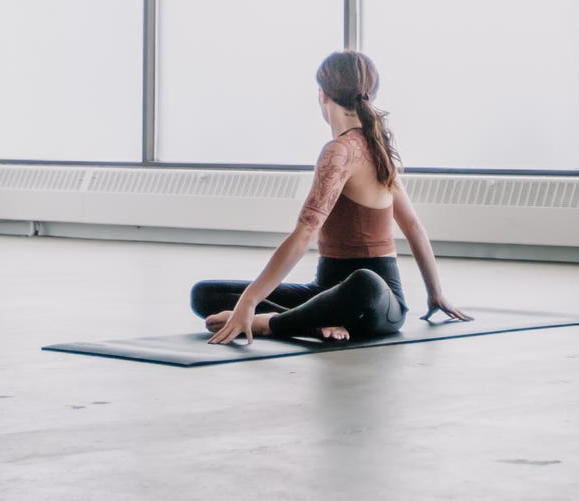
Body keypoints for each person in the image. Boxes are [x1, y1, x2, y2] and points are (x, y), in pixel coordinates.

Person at [193, 51, 471, 346]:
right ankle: (315, 321)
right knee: (206, 294)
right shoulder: (370, 145)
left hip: (374, 301)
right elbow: (413, 226)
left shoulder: (346, 151)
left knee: (363, 283)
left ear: (322, 94)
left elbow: (306, 234)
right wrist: (245, 301)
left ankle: (271, 323)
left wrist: (248, 305)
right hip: (325, 292)